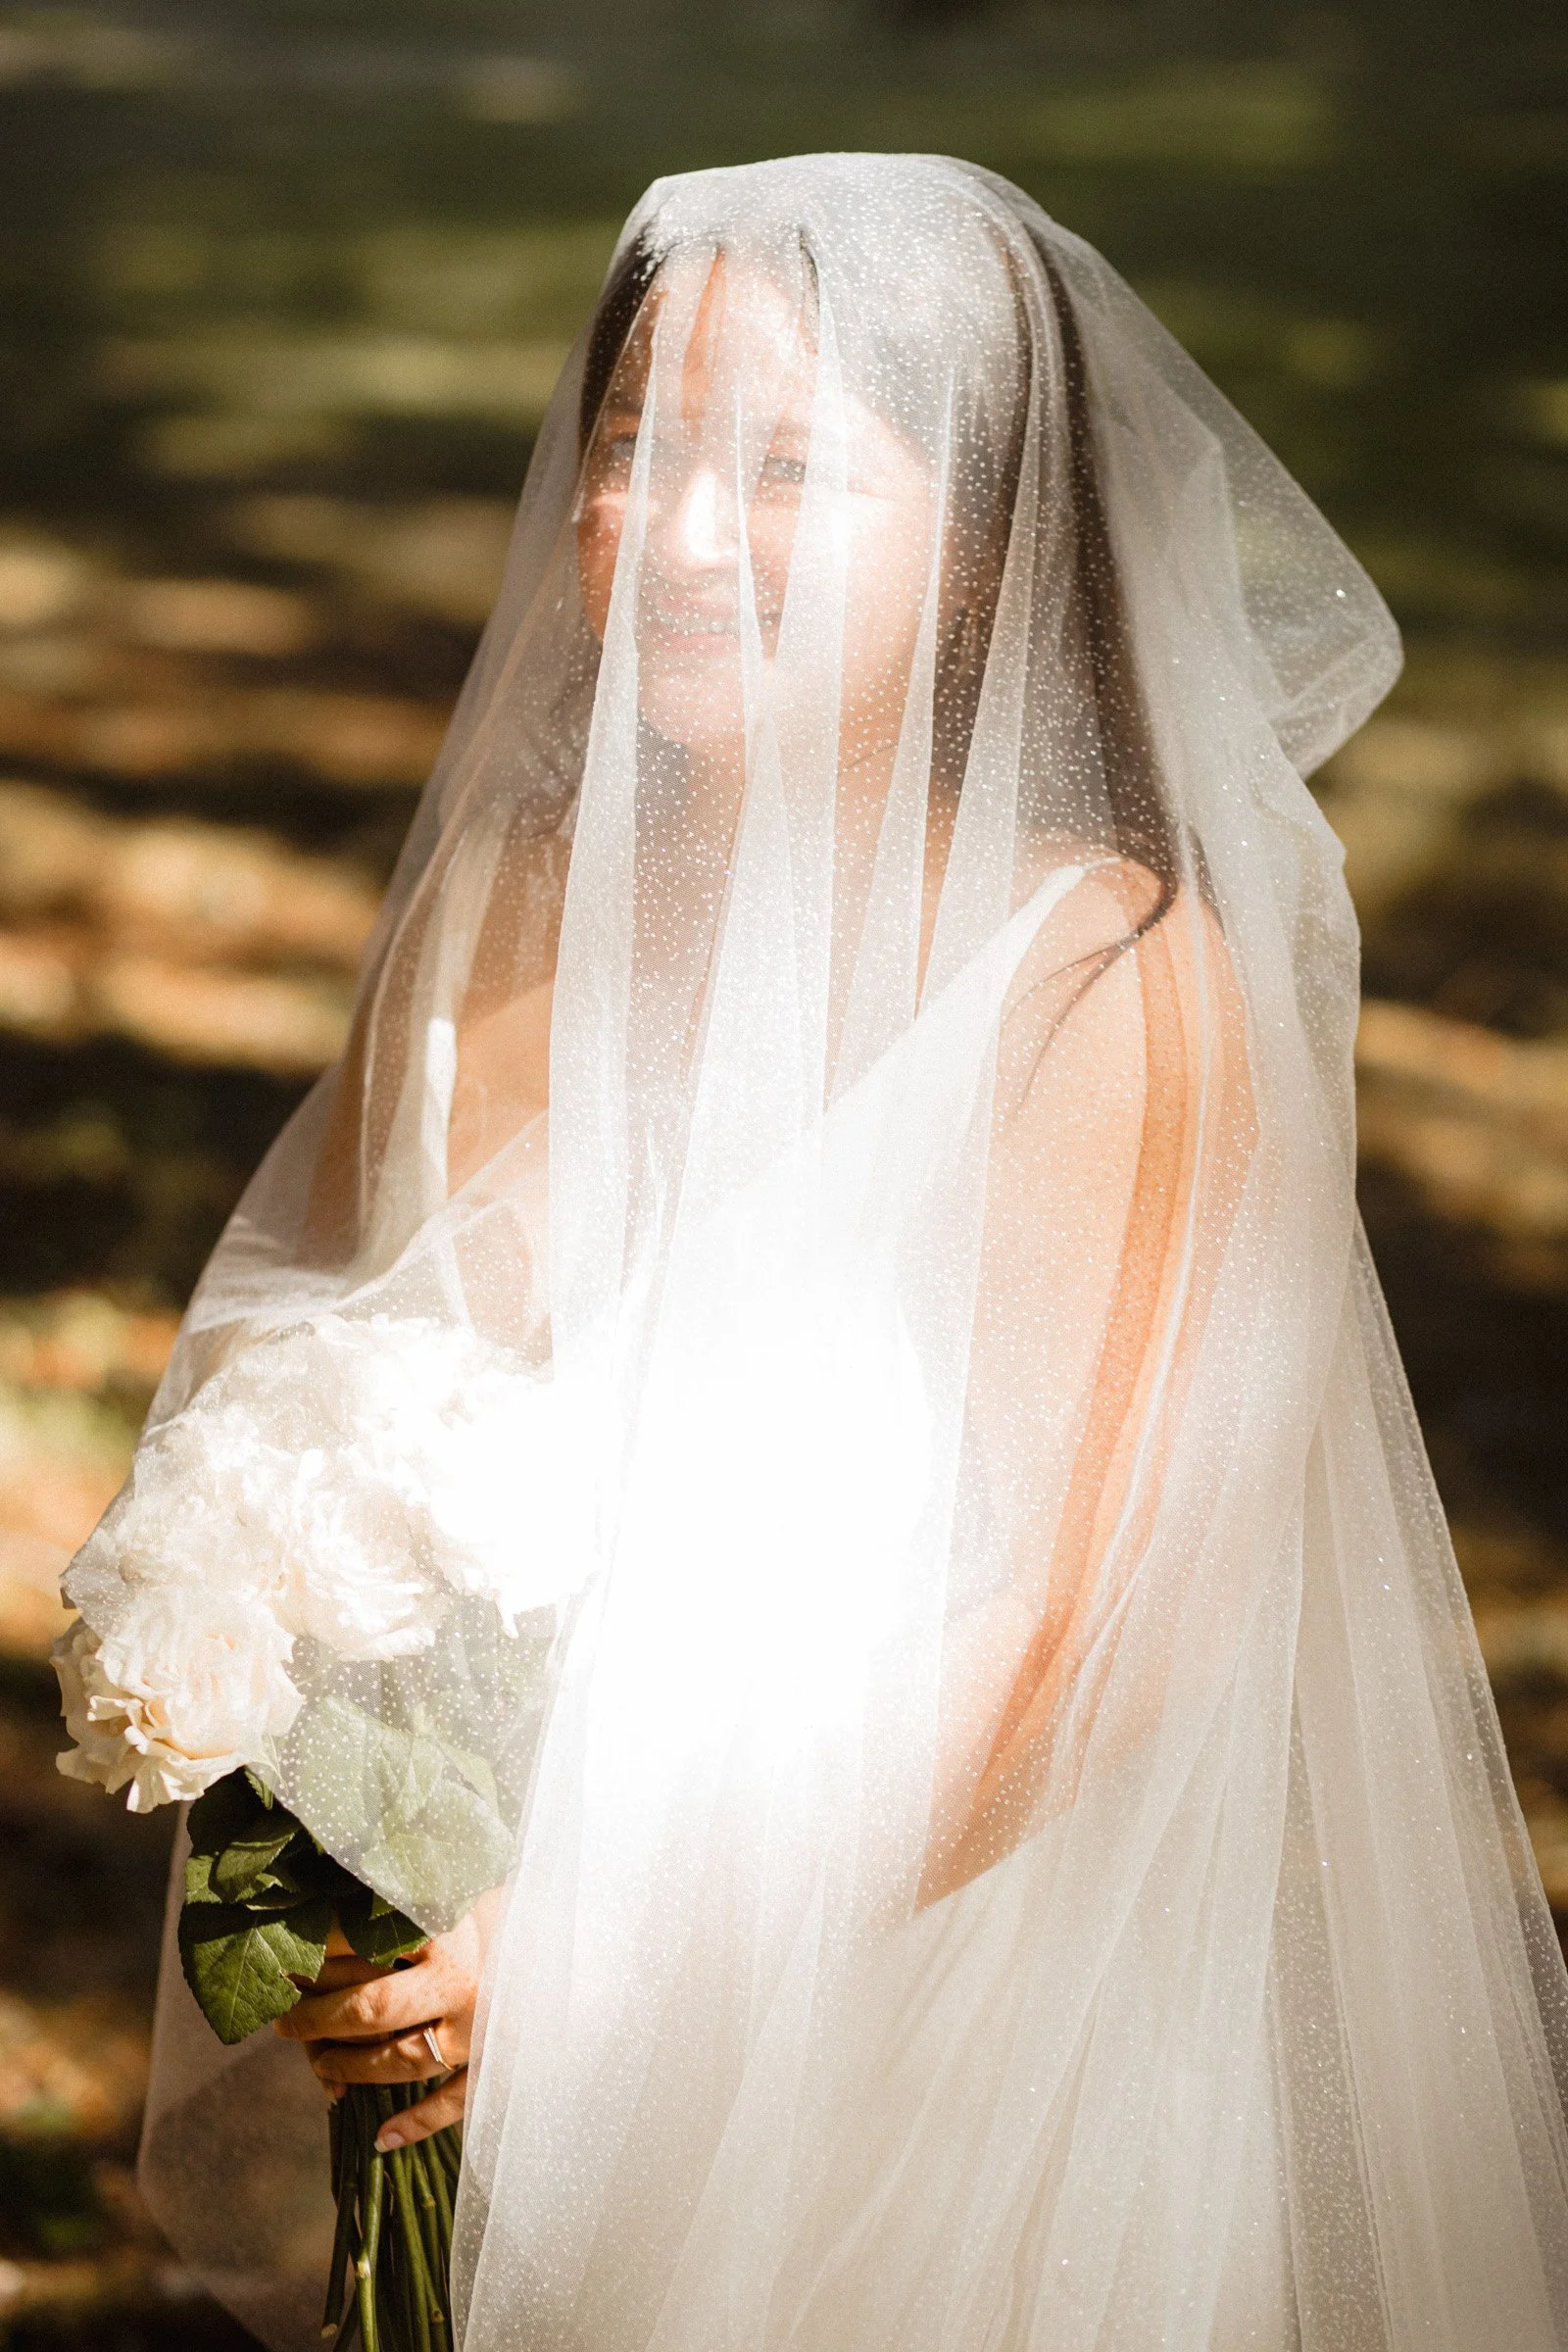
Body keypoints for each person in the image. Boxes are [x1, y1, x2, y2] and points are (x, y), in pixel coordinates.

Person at [62, 156, 1568, 2350]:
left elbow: (1086, 1623)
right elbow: (374, 1377)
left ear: (971, 541)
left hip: (924, 1991)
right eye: (626, 452)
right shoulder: (516, 910)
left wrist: (612, 1961)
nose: (668, 537)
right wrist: (320, 1696)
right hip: (494, 1938)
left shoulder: (1100, 982)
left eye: (775, 469)